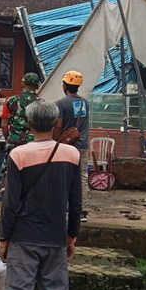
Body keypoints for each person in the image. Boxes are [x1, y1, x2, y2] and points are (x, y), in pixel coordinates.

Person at [0, 100, 82, 290]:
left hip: (22, 239)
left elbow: (10, 204)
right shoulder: (71, 154)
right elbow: (75, 202)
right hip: (56, 238)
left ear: (30, 123)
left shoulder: (18, 155)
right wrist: (71, 236)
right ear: (56, 123)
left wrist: (4, 238)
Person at [54, 70, 90, 218]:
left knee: (63, 176)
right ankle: (82, 210)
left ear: (65, 85)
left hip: (66, 147)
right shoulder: (85, 102)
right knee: (82, 176)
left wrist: (54, 141)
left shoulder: (61, 103)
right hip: (82, 146)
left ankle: (61, 207)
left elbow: (58, 125)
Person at [1, 73, 41, 151]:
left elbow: (4, 125)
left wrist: (8, 139)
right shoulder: (42, 103)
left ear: (22, 84)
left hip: (14, 142)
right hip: (33, 143)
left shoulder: (10, 100)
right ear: (38, 86)